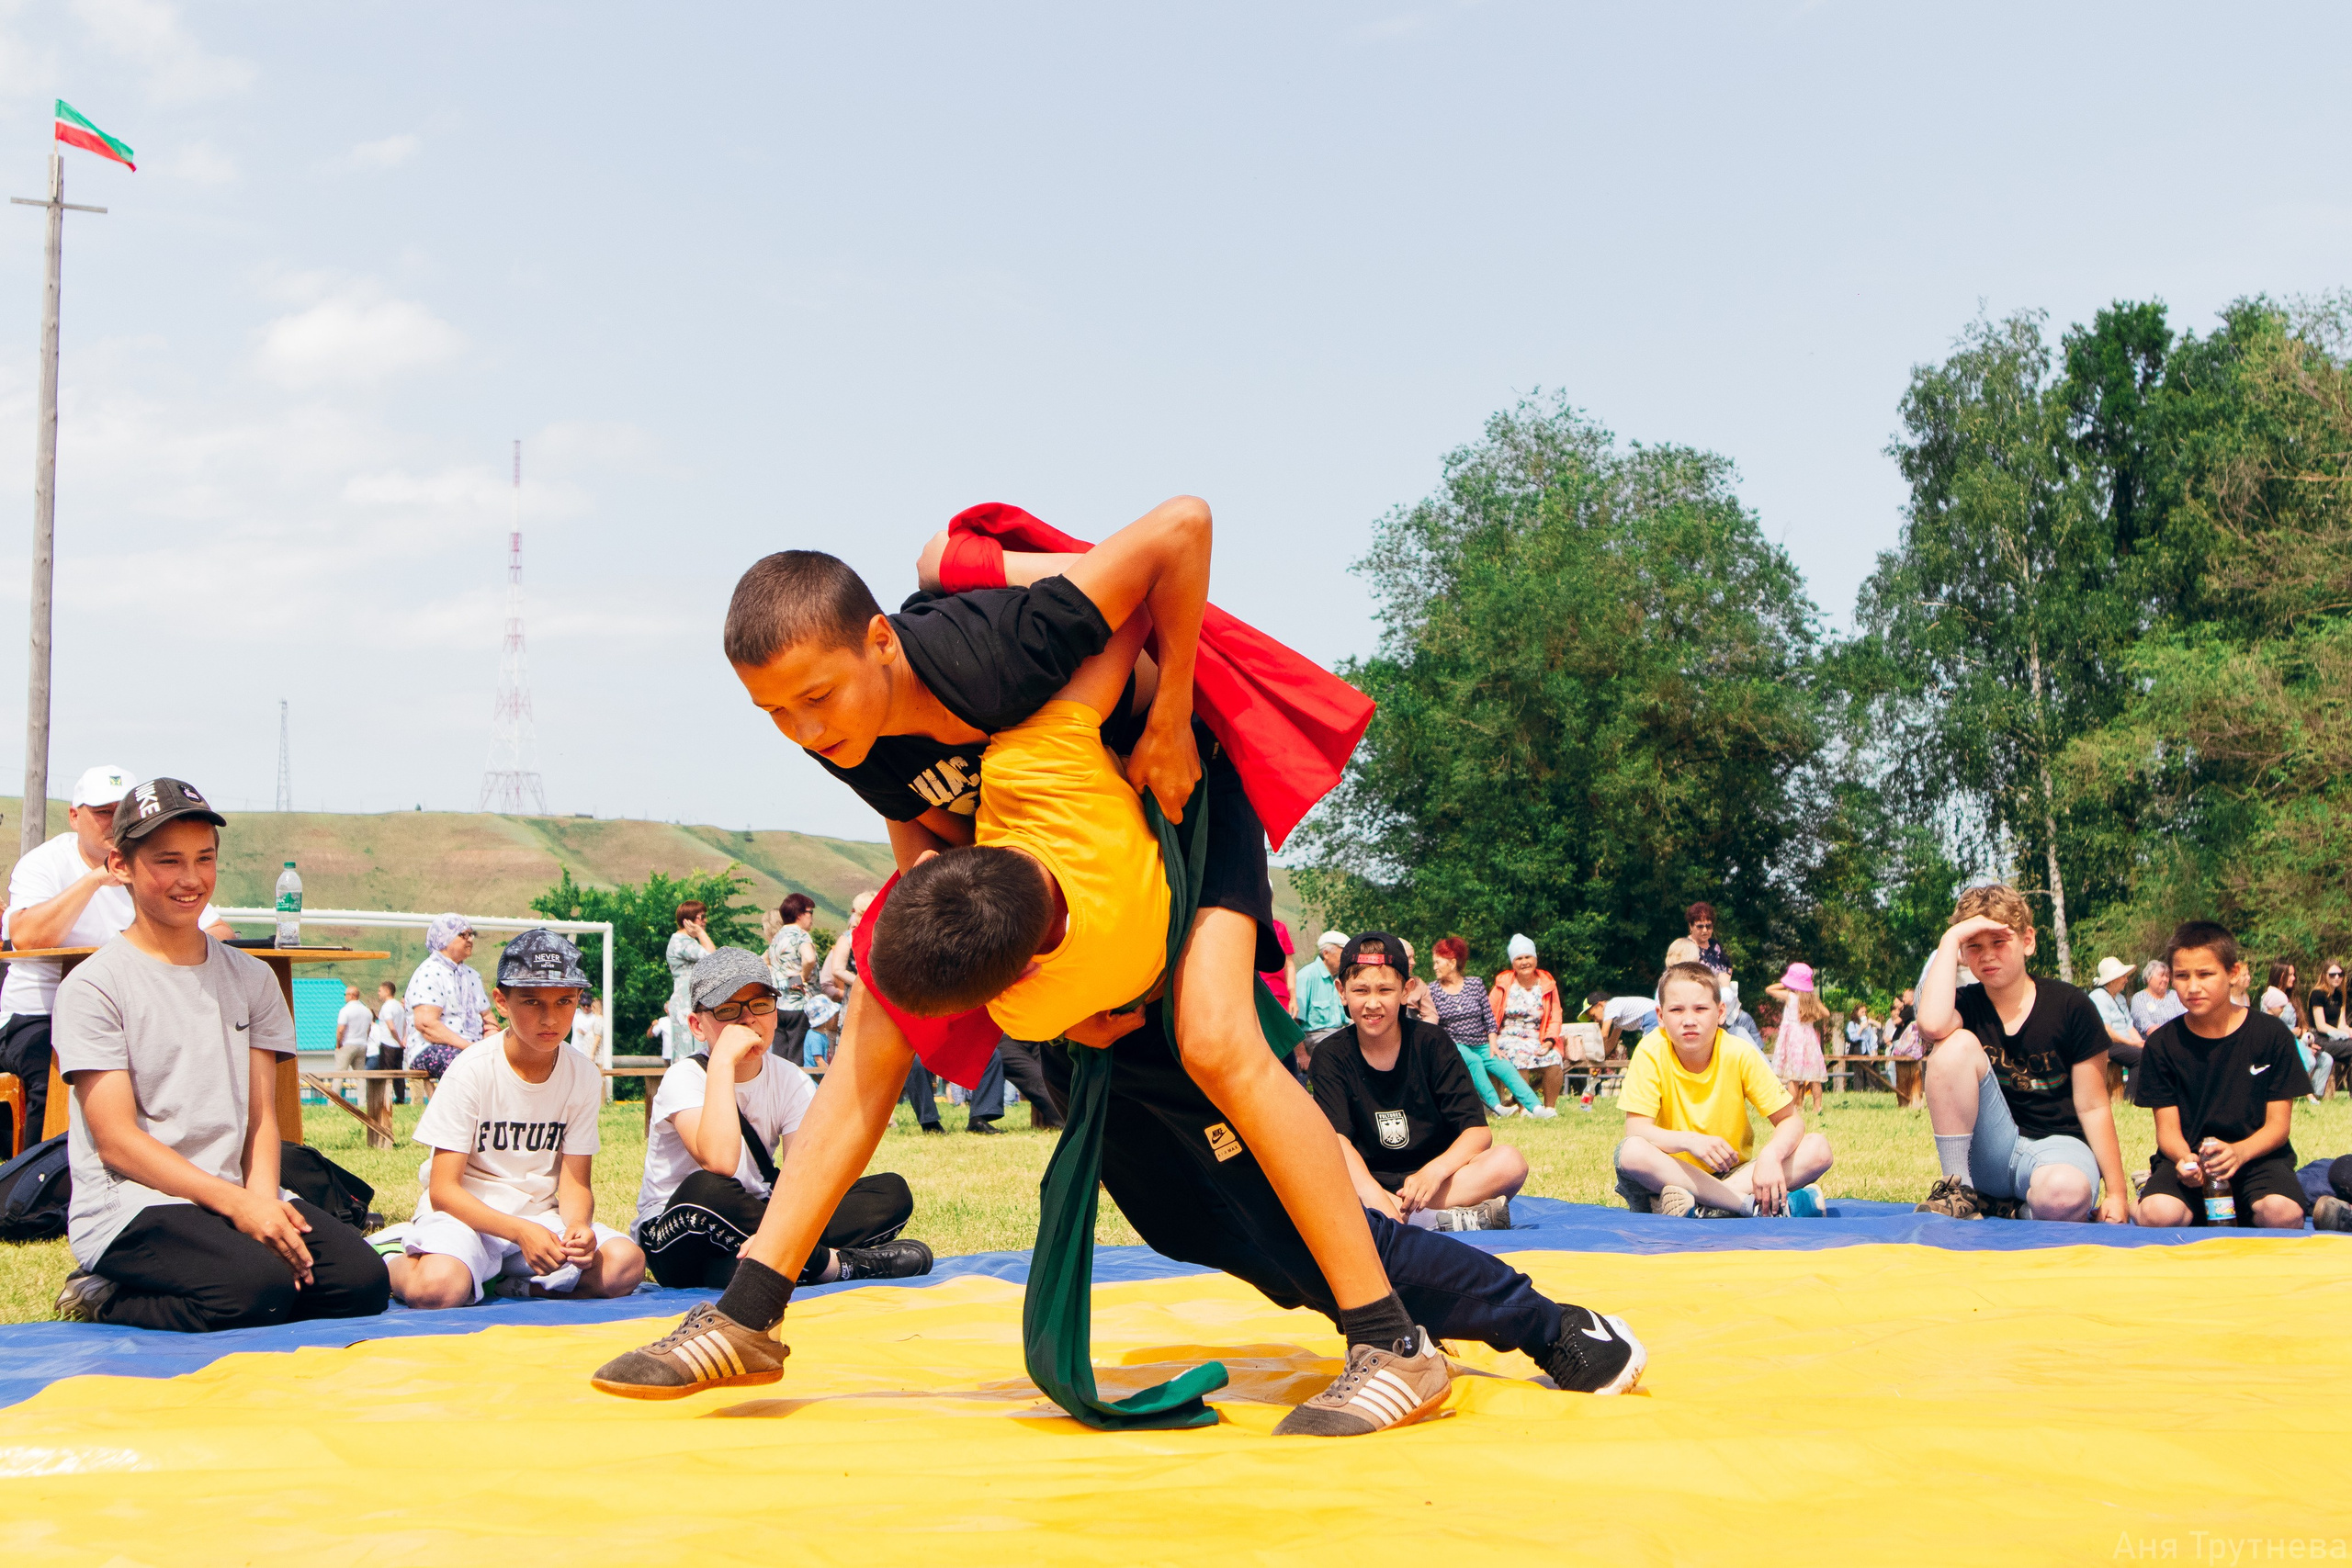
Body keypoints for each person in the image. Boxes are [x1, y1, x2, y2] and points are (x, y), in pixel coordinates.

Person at [592, 511, 1645, 1425]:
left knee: (1217, 1044)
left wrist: (1174, 714)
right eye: (775, 715)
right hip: (1064, 901)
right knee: (900, 1016)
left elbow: (1178, 531)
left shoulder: (1000, 655)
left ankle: (1397, 1335)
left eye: (815, 698)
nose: (803, 730)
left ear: (880, 642)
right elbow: (920, 831)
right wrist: (991, 973)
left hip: (1178, 812)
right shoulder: (844, 725)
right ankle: (750, 1313)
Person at [50, 777, 390, 1330]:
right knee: (257, 1290)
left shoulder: (252, 978)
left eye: (204, 859)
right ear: (120, 866)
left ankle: (244, 1266)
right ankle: (101, 1294)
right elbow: (117, 1143)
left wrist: (262, 1201)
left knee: (361, 1283)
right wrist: (238, 1208)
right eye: (168, 861)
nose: (190, 879)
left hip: (233, 1193)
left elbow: (261, 1117)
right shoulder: (94, 986)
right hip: (134, 1203)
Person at [635, 947, 931, 1288]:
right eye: (727, 1009)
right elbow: (720, 1162)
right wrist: (722, 1063)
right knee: (706, 1189)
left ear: (775, 1013)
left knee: (890, 1192)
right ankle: (829, 1264)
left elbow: (805, 1174)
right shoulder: (684, 1076)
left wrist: (782, 1225)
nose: (748, 1019)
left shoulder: (789, 1078)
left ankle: (769, 1262)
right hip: (681, 1230)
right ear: (697, 1026)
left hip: (752, 1224)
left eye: (761, 1004)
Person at [386, 930, 645, 1308]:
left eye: (564, 1001)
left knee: (625, 1263)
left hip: (539, 1220)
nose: (550, 1017)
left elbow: (575, 1182)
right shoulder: (472, 1069)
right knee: (438, 1289)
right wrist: (519, 1231)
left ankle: (518, 1285)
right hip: (467, 1218)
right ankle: (389, 1256)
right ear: (501, 1002)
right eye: (531, 1001)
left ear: (578, 1000)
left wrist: (577, 1227)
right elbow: (443, 1190)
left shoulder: (583, 1075)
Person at [1, 765, 233, 1152]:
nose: (112, 822)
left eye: (120, 811)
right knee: (54, 1077)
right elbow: (26, 939)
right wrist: (95, 878)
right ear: (74, 816)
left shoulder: (151, 864)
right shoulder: (46, 863)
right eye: (102, 812)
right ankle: (43, 1178)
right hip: (41, 1013)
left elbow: (220, 930)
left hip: (136, 1008)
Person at [1914, 885, 2131, 1223]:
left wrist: (2117, 1193)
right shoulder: (1965, 1004)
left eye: (1999, 942)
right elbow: (1931, 1024)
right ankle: (1958, 1190)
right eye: (1974, 946)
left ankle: (2016, 1211)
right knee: (1952, 1046)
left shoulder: (2071, 1005)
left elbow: (2094, 1105)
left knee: (2065, 1194)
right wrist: (1950, 938)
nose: (1987, 955)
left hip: (2059, 1149)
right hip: (1990, 1153)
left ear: (2027, 940)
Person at [1313, 933, 1529, 1232]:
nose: (1372, 1003)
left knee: (1510, 1162)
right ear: (1342, 992)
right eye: (1360, 990)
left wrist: (1434, 1172)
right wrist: (1375, 1196)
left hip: (1434, 1185)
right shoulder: (1330, 1055)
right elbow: (1337, 1141)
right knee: (1309, 1176)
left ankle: (1403, 1221)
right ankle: (1430, 1221)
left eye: (1385, 990)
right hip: (1364, 1185)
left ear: (1406, 991)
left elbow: (1477, 1132)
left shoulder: (1433, 1043)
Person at [1612, 961, 1834, 1218]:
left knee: (1818, 1149)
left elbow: (1790, 1120)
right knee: (1631, 1151)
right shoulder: (1650, 1051)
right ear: (1660, 1016)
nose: (1689, 1020)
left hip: (1731, 1174)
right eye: (1676, 1010)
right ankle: (1744, 1205)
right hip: (1669, 1176)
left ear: (1720, 1013)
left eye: (1700, 1009)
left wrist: (1772, 1155)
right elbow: (1637, 1130)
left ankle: (1706, 1206)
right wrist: (1690, 1141)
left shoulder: (1738, 1053)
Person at [2132, 922, 2310, 1230]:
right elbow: (2167, 1131)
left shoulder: (2271, 1035)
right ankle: (2138, 1200)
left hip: (2257, 1158)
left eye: (2205, 974)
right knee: (2158, 1215)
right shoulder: (2162, 1044)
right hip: (2190, 1161)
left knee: (2283, 1215)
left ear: (2233, 972)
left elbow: (2278, 1127)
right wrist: (2185, 1160)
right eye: (2182, 976)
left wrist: (2240, 1153)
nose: (2193, 987)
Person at [1427, 936, 1548, 1119]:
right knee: (1474, 1061)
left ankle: (1536, 1108)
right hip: (1454, 1044)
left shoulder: (1475, 984)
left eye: (1438, 962)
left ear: (1452, 963)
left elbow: (1489, 1018)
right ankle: (1496, 1106)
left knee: (1504, 1066)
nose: (1434, 967)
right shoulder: (1432, 990)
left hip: (1481, 1043)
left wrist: (1493, 1044)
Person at [403, 914, 489, 1080]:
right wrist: (470, 1048)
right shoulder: (429, 972)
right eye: (463, 935)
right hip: (431, 1047)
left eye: (471, 934)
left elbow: (488, 1019)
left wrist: (491, 1043)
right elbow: (426, 1025)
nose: (470, 939)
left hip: (471, 1047)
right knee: (465, 1067)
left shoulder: (472, 975)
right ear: (444, 938)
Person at [1486, 938, 1566, 1110]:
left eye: (1528, 957)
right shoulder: (1502, 984)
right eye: (1519, 958)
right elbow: (1488, 1014)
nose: (1524, 962)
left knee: (1554, 1060)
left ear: (1535, 959)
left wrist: (1549, 1042)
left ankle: (1549, 1108)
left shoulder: (1548, 984)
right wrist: (1490, 1041)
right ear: (1513, 963)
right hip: (1508, 1036)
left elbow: (1556, 1016)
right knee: (1520, 1055)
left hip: (1539, 1037)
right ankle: (1526, 1108)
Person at [763, 894, 820, 1066]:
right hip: (800, 1003)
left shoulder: (777, 937)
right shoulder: (801, 935)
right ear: (799, 914)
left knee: (780, 1058)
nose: (812, 918)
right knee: (798, 1058)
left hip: (780, 1005)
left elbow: (764, 960)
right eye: (810, 912)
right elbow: (809, 958)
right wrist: (802, 976)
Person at [1765, 963, 1828, 1113]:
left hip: (1794, 1040)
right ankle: (1817, 1107)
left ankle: (1792, 1107)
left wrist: (1785, 984)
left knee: (1793, 1077)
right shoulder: (1813, 999)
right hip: (1809, 1038)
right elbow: (1826, 1013)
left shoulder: (1790, 996)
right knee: (1815, 1076)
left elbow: (1769, 989)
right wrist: (1813, 1017)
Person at [2086, 954, 2146, 1105]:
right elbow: (2106, 1031)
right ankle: (2131, 1100)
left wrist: (2140, 1042)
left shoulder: (2120, 998)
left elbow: (2129, 1026)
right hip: (2105, 1044)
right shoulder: (2099, 997)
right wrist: (2132, 1044)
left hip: (2122, 1043)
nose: (2126, 980)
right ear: (2112, 980)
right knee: (2140, 1057)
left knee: (2150, 1052)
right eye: (2123, 976)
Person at [664, 901, 717, 1065]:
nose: (705, 921)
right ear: (688, 920)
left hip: (690, 999)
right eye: (702, 917)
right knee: (688, 1053)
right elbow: (713, 958)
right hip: (685, 1002)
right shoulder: (681, 941)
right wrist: (701, 933)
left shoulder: (686, 941)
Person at [1291, 931, 1349, 1079]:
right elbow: (1294, 1020)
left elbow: (1349, 1019)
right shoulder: (1306, 976)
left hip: (1336, 1034)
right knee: (1338, 1049)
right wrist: (1302, 1055)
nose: (1346, 958)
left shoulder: (1341, 979)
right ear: (1326, 953)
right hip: (1312, 1036)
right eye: (1343, 953)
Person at [2307, 959, 2347, 1100]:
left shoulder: (2340, 995)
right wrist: (2342, 1034)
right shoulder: (2317, 994)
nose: (2337, 977)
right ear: (2324, 975)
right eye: (2332, 974)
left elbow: (2342, 1025)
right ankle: (2316, 1093)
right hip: (2318, 1038)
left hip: (2335, 1039)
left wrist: (2348, 1032)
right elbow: (2321, 1026)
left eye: (2340, 974)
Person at [368, 980, 412, 1104]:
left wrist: (397, 1039)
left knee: (386, 1072)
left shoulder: (387, 1007)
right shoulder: (399, 1006)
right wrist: (403, 1039)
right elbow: (405, 1024)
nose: (378, 993)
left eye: (380, 991)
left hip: (388, 1043)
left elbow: (391, 1027)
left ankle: (386, 1097)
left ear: (387, 991)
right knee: (398, 1071)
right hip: (399, 1046)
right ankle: (400, 1097)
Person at [2131, 960, 2186, 1038]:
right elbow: (2145, 1024)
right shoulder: (2139, 998)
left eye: (2167, 976)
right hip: (2154, 1041)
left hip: (2179, 1038)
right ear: (2149, 977)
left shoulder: (2175, 995)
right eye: (2161, 975)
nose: (2165, 979)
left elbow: (2184, 1017)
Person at [334, 984, 373, 1071]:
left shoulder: (345, 1010)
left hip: (348, 1044)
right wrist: (365, 1040)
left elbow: (341, 1030)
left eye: (346, 995)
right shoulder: (367, 1011)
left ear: (351, 996)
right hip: (362, 1045)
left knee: (340, 1072)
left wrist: (338, 1044)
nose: (345, 997)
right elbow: (369, 1029)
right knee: (359, 1074)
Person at [1259, 919, 1295, 1013]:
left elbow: (1289, 965)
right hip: (1255, 993)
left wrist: (1293, 998)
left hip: (1279, 994)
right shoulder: (1249, 925)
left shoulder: (1280, 928)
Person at [1685, 902, 1730, 976]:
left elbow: (1728, 968)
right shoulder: (1683, 947)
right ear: (1691, 926)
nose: (1705, 930)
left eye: (1708, 926)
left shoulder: (1715, 945)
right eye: (1700, 926)